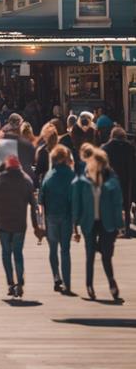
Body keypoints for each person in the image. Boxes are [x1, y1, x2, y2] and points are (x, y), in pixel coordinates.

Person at [72, 148, 125, 301]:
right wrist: (75, 225)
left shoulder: (112, 180)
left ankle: (112, 282)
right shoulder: (83, 181)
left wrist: (120, 225)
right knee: (89, 254)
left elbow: (117, 204)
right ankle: (89, 285)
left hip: (106, 222)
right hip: (89, 222)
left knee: (106, 256)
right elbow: (78, 203)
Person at [0, 155, 38, 298]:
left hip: (2, 223)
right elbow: (34, 205)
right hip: (19, 224)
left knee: (6, 252)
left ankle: (10, 282)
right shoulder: (27, 181)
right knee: (18, 253)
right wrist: (37, 226)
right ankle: (20, 281)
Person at [39, 145, 75, 294]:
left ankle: (56, 276)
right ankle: (67, 283)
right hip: (66, 216)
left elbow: (41, 200)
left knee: (53, 249)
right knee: (65, 250)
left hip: (51, 217)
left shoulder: (48, 176)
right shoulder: (71, 175)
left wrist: (41, 221)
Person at [100, 126, 134, 237]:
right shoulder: (129, 147)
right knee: (126, 204)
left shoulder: (106, 147)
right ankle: (127, 228)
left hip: (110, 180)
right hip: (126, 179)